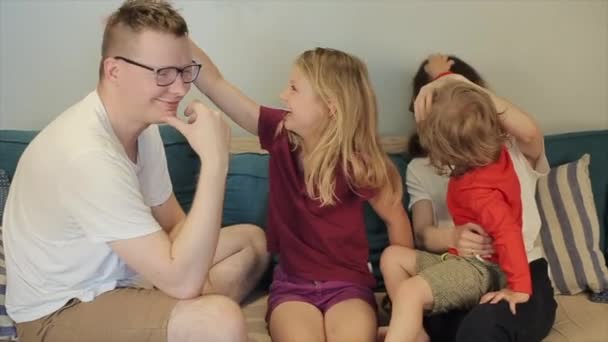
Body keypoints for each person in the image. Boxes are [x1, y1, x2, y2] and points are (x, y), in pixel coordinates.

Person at [2, 1, 269, 341]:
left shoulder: (144, 126)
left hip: (128, 273)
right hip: (61, 310)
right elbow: (183, 280)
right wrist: (215, 161)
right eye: (163, 73)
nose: (180, 88)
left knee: (252, 241)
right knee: (219, 320)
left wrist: (188, 275)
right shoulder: (87, 154)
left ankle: (176, 313)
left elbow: (174, 222)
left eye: (184, 70)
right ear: (113, 71)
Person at [189, 43, 414, 341]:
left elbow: (396, 219)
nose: (283, 95)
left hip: (349, 287)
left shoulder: (362, 164)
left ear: (330, 106)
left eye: (294, 88)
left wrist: (400, 296)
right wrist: (177, 39)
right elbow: (215, 83)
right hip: (292, 287)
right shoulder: (279, 134)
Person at [380, 54, 556, 342]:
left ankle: (410, 324)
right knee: (395, 261)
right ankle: (416, 330)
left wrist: (455, 81)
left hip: (518, 269)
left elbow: (508, 232)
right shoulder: (421, 167)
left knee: (480, 326)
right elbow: (422, 236)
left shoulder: (509, 147)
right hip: (460, 263)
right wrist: (452, 236)